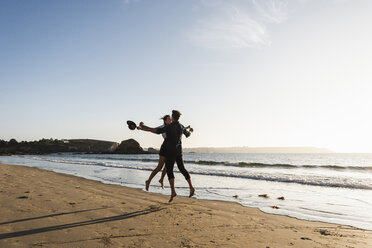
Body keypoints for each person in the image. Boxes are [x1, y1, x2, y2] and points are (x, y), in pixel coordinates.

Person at [139, 110, 195, 202]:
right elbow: (188, 134)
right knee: (182, 169)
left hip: (170, 151)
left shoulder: (169, 126)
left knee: (169, 170)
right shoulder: (181, 126)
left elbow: (156, 130)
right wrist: (190, 130)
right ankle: (191, 187)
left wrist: (144, 126)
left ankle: (173, 191)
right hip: (179, 151)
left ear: (173, 117)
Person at [143, 115, 171, 191]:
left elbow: (180, 128)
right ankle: (148, 181)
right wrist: (142, 128)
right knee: (159, 167)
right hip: (165, 147)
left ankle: (161, 179)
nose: (170, 120)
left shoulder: (173, 126)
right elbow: (151, 130)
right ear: (165, 120)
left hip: (171, 148)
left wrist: (187, 129)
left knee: (167, 167)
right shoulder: (162, 127)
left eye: (171, 119)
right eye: (169, 119)